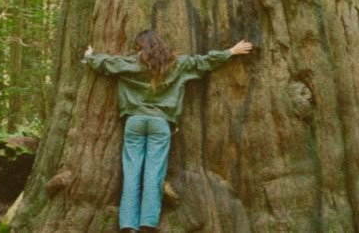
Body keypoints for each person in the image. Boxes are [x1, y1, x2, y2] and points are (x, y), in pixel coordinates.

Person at [83, 29, 253, 233]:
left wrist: (90, 57)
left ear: (140, 46)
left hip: (134, 121)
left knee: (131, 172)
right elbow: (202, 62)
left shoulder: (131, 63)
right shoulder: (176, 64)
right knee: (154, 172)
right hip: (160, 123)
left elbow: (106, 63)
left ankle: (128, 224)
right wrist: (230, 52)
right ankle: (147, 222)